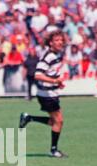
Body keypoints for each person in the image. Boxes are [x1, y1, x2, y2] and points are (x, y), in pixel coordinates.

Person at [19, 30, 68, 158]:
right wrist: (54, 81)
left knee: (55, 121)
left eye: (61, 40)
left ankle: (29, 118)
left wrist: (57, 83)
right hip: (47, 94)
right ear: (50, 43)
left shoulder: (56, 55)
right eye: (56, 40)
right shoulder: (48, 56)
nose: (59, 42)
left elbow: (51, 72)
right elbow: (38, 75)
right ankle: (53, 150)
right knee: (59, 121)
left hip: (51, 93)